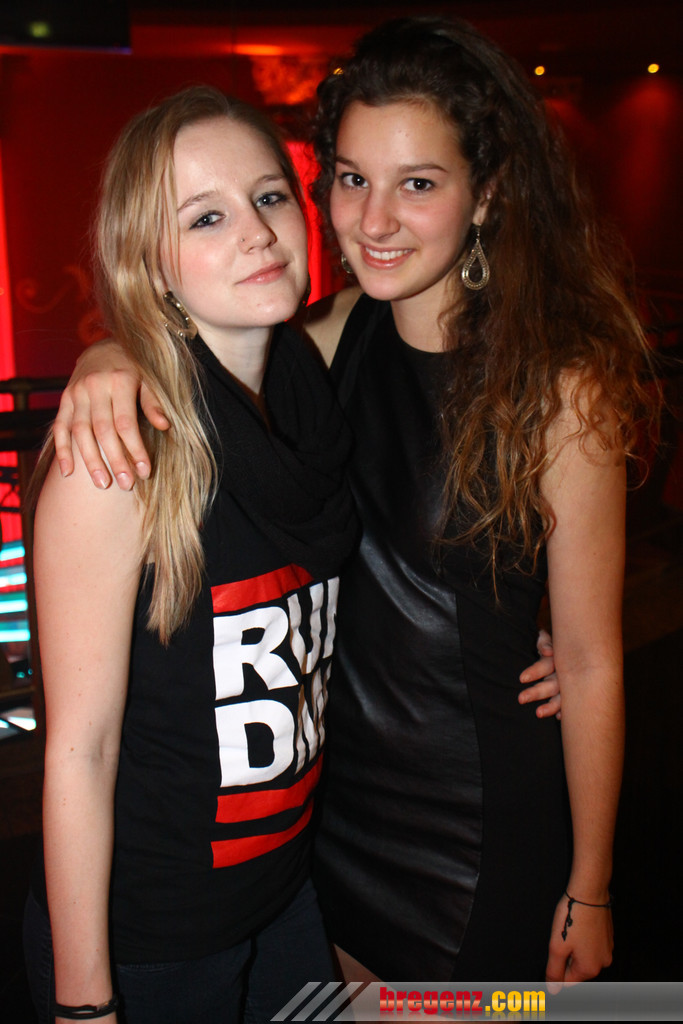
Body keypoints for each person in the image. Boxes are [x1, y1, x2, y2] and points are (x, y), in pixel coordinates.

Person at [50, 16, 653, 985]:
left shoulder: (559, 387)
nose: (373, 221)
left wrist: (591, 885)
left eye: (417, 184)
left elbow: (586, 661)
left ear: (487, 193)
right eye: (350, 178)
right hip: (324, 817)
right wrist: (106, 354)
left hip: (472, 822)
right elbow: (200, 339)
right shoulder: (328, 339)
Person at [24, 86, 358, 1024]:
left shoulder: (309, 382)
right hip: (155, 941)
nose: (255, 231)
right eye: (206, 217)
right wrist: (85, 1001)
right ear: (152, 266)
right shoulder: (119, 459)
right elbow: (80, 751)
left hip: (285, 892)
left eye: (269, 196)